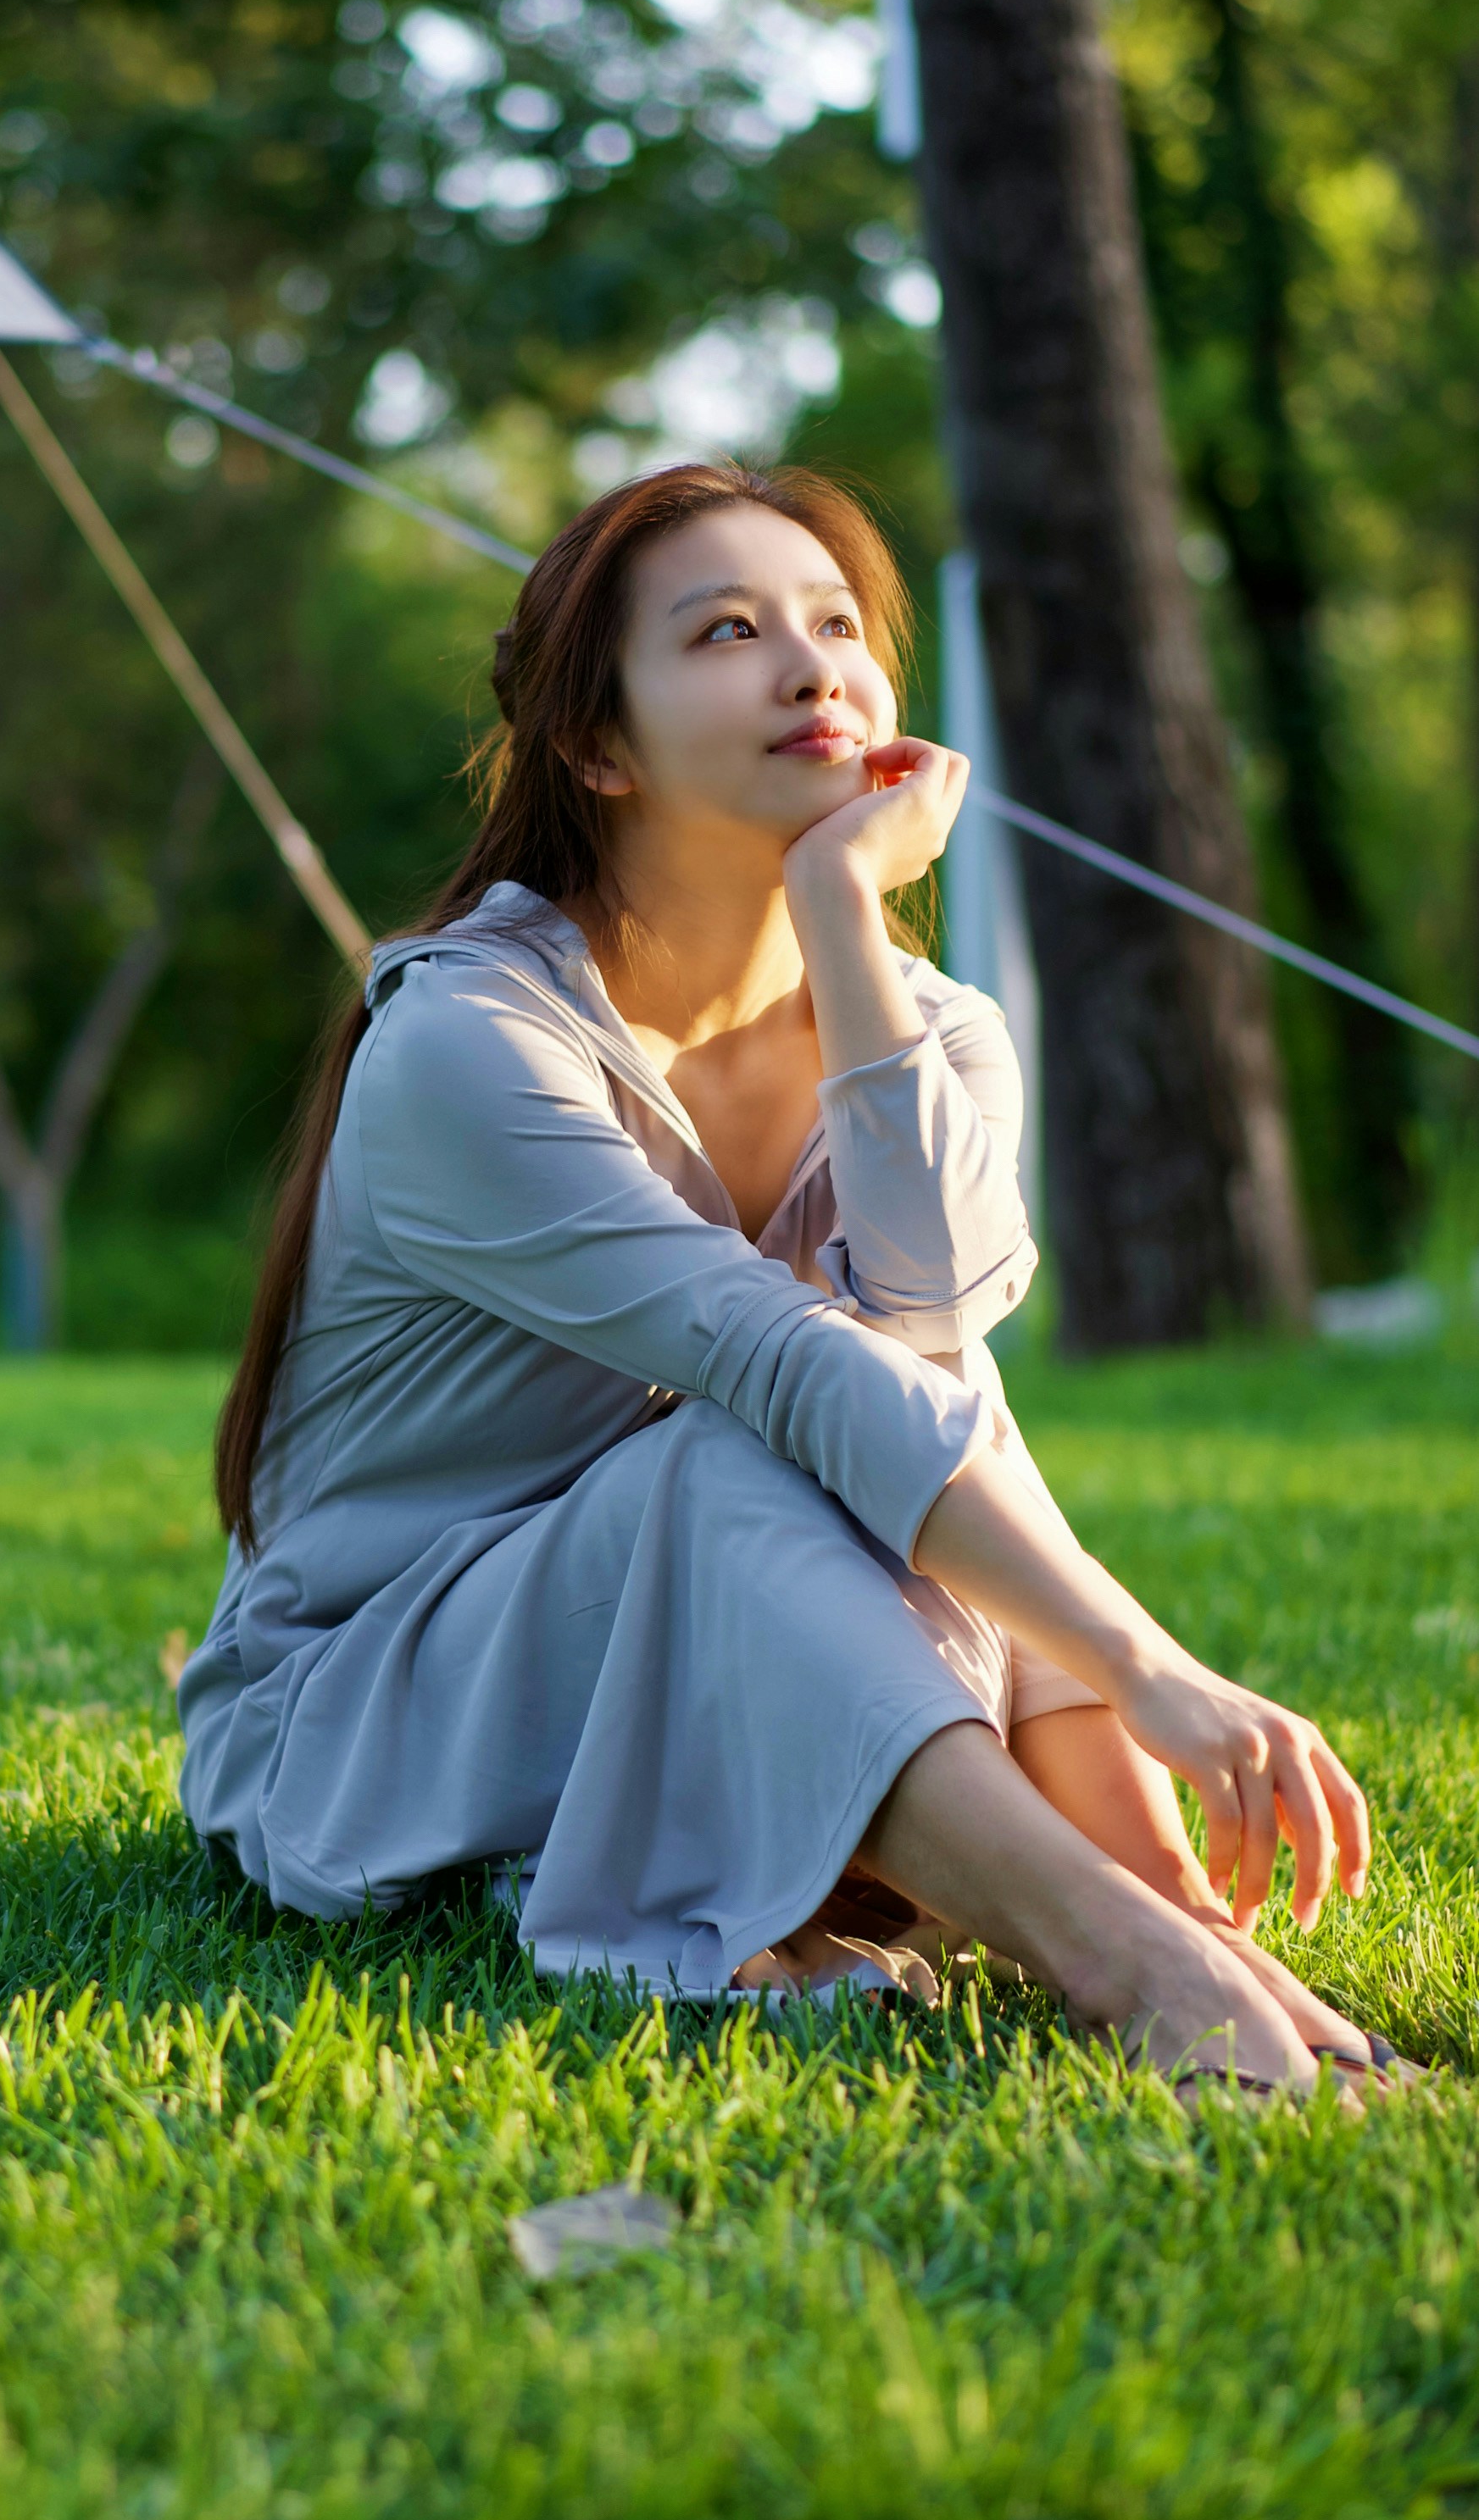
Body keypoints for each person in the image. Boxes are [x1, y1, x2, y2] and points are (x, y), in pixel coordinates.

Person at [180, 460, 1386, 2096]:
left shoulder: (933, 1025)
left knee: (907, 1398)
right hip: (384, 1708)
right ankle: (1120, 1963)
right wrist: (1145, 1665)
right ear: (597, 746)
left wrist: (838, 913)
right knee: (754, 1432)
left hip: (711, 1621)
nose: (811, 667)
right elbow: (786, 1371)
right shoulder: (469, 1044)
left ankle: (1159, 1909)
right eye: (728, 631)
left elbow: (939, 1346)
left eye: (834, 625)